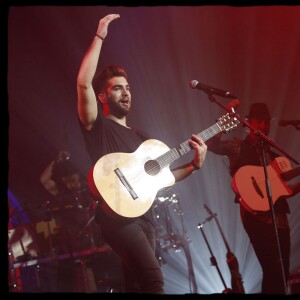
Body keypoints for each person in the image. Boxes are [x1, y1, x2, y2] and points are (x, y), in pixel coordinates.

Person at [76, 14, 208, 294]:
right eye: (118, 89)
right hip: (117, 218)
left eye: (128, 88)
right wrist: (100, 35)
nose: (126, 94)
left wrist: (194, 166)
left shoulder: (142, 139)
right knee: (154, 280)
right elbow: (83, 84)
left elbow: (164, 178)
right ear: (102, 97)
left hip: (144, 216)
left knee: (137, 285)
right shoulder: (97, 126)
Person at [207, 102, 300, 294]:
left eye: (266, 122)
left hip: (280, 218)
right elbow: (211, 145)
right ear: (248, 122)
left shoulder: (274, 156)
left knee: (282, 274)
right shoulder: (238, 146)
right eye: (259, 121)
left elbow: (287, 190)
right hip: (255, 217)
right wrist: (223, 120)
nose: (264, 126)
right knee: (272, 270)